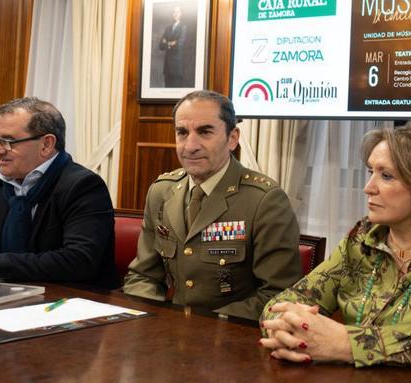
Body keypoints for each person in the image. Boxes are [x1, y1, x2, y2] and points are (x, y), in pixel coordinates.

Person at [260, 118, 411, 370]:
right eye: (370, 172)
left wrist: (347, 344)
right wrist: (284, 331)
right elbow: (288, 300)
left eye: (386, 176)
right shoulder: (363, 237)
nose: (368, 188)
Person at [123, 90, 301, 321]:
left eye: (205, 132)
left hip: (233, 336)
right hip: (169, 333)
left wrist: (206, 326)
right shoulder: (161, 191)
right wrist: (153, 319)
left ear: (232, 138)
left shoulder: (264, 200)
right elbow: (142, 276)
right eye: (182, 132)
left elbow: (279, 294)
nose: (190, 145)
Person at [0, 97, 117, 288]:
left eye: (8, 141)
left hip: (67, 300)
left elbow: (79, 260)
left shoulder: (83, 186)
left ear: (46, 144)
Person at [159, 5, 188, 87]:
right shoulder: (167, 28)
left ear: (181, 14)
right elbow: (161, 46)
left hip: (177, 67)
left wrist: (167, 43)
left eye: (177, 12)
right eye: (174, 12)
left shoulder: (183, 27)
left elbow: (179, 45)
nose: (175, 14)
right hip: (167, 67)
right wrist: (171, 43)